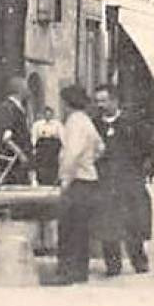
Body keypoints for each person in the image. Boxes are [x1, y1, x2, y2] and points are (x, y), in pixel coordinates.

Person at [93, 85, 153, 275]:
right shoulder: (95, 125)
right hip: (104, 182)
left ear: (114, 101)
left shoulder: (132, 123)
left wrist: (145, 169)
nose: (100, 105)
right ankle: (112, 265)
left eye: (103, 100)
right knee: (107, 224)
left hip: (129, 181)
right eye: (97, 101)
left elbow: (148, 149)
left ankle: (139, 261)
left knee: (132, 223)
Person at [55, 84, 103, 285]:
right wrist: (89, 160)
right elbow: (101, 146)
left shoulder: (74, 122)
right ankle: (79, 272)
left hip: (78, 182)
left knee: (69, 229)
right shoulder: (87, 121)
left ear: (67, 103)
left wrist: (65, 178)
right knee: (81, 230)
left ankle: (68, 273)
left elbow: (72, 153)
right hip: (89, 180)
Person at [0, 76, 33, 186]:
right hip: (11, 163)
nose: (29, 90)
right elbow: (6, 137)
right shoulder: (7, 108)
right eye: (26, 87)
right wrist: (21, 154)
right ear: (19, 89)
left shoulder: (17, 108)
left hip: (17, 162)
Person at [30, 106, 63, 186]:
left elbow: (62, 135)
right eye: (46, 114)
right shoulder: (37, 124)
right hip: (42, 146)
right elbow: (34, 136)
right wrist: (33, 147)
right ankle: (42, 180)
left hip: (53, 146)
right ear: (43, 115)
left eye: (50, 114)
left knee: (53, 164)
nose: (48, 116)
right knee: (42, 165)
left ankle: (53, 180)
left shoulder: (57, 124)